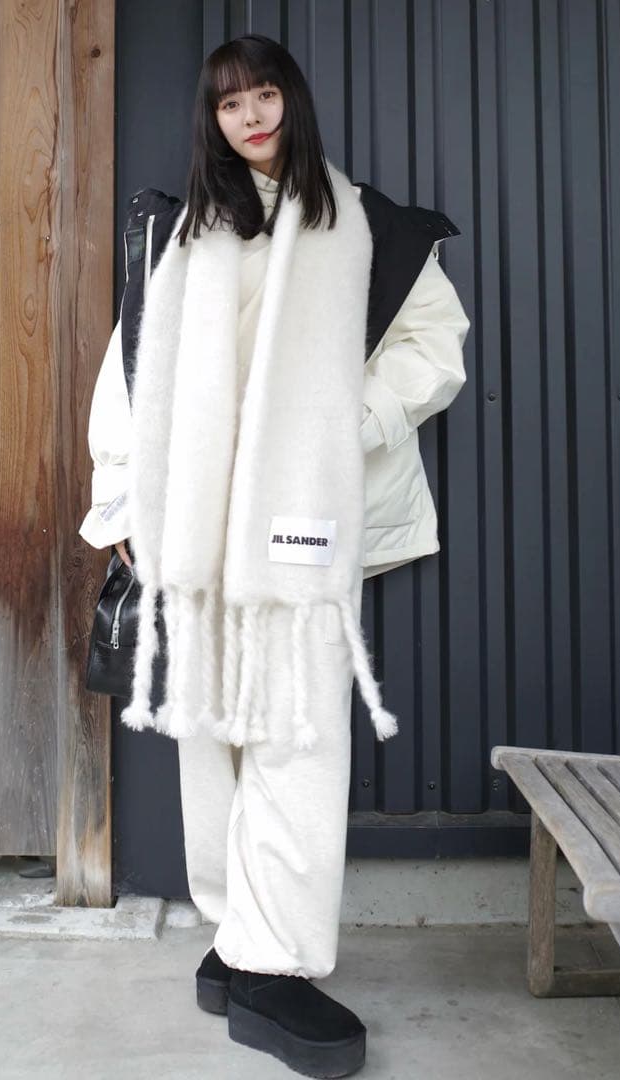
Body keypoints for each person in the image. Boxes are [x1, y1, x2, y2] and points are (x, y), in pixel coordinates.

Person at [80, 34, 470, 1079]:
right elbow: (130, 371)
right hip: (196, 523)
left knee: (296, 736)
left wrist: (346, 423)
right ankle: (237, 940)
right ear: (210, 120)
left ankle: (275, 961)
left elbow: (435, 351)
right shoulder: (181, 232)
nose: (251, 117)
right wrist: (121, 498)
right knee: (212, 735)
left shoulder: (365, 224)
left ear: (291, 100)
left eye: (265, 96)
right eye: (230, 103)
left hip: (299, 521)